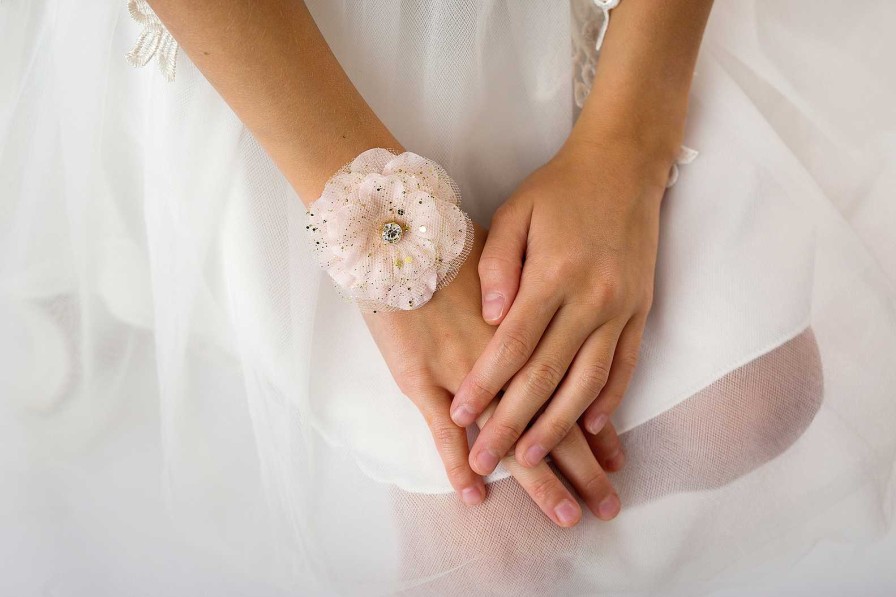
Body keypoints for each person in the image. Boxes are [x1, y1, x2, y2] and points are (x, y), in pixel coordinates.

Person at [1, 1, 894, 594]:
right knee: (491, 527)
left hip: (552, 32)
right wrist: (392, 241)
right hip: (297, 65)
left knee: (758, 394)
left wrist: (631, 137)